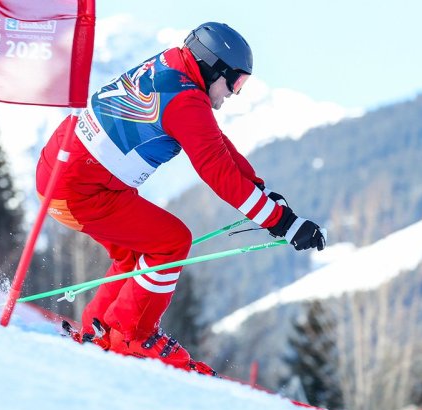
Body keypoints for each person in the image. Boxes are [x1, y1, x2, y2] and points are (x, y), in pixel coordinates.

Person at [36, 22, 326, 374]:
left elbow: (214, 141)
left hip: (64, 167)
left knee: (136, 253)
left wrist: (260, 191)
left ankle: (101, 328)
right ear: (213, 66)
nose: (234, 93)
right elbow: (218, 173)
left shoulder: (174, 67)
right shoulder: (186, 101)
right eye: (235, 81)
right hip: (82, 188)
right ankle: (131, 334)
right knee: (171, 242)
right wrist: (283, 222)